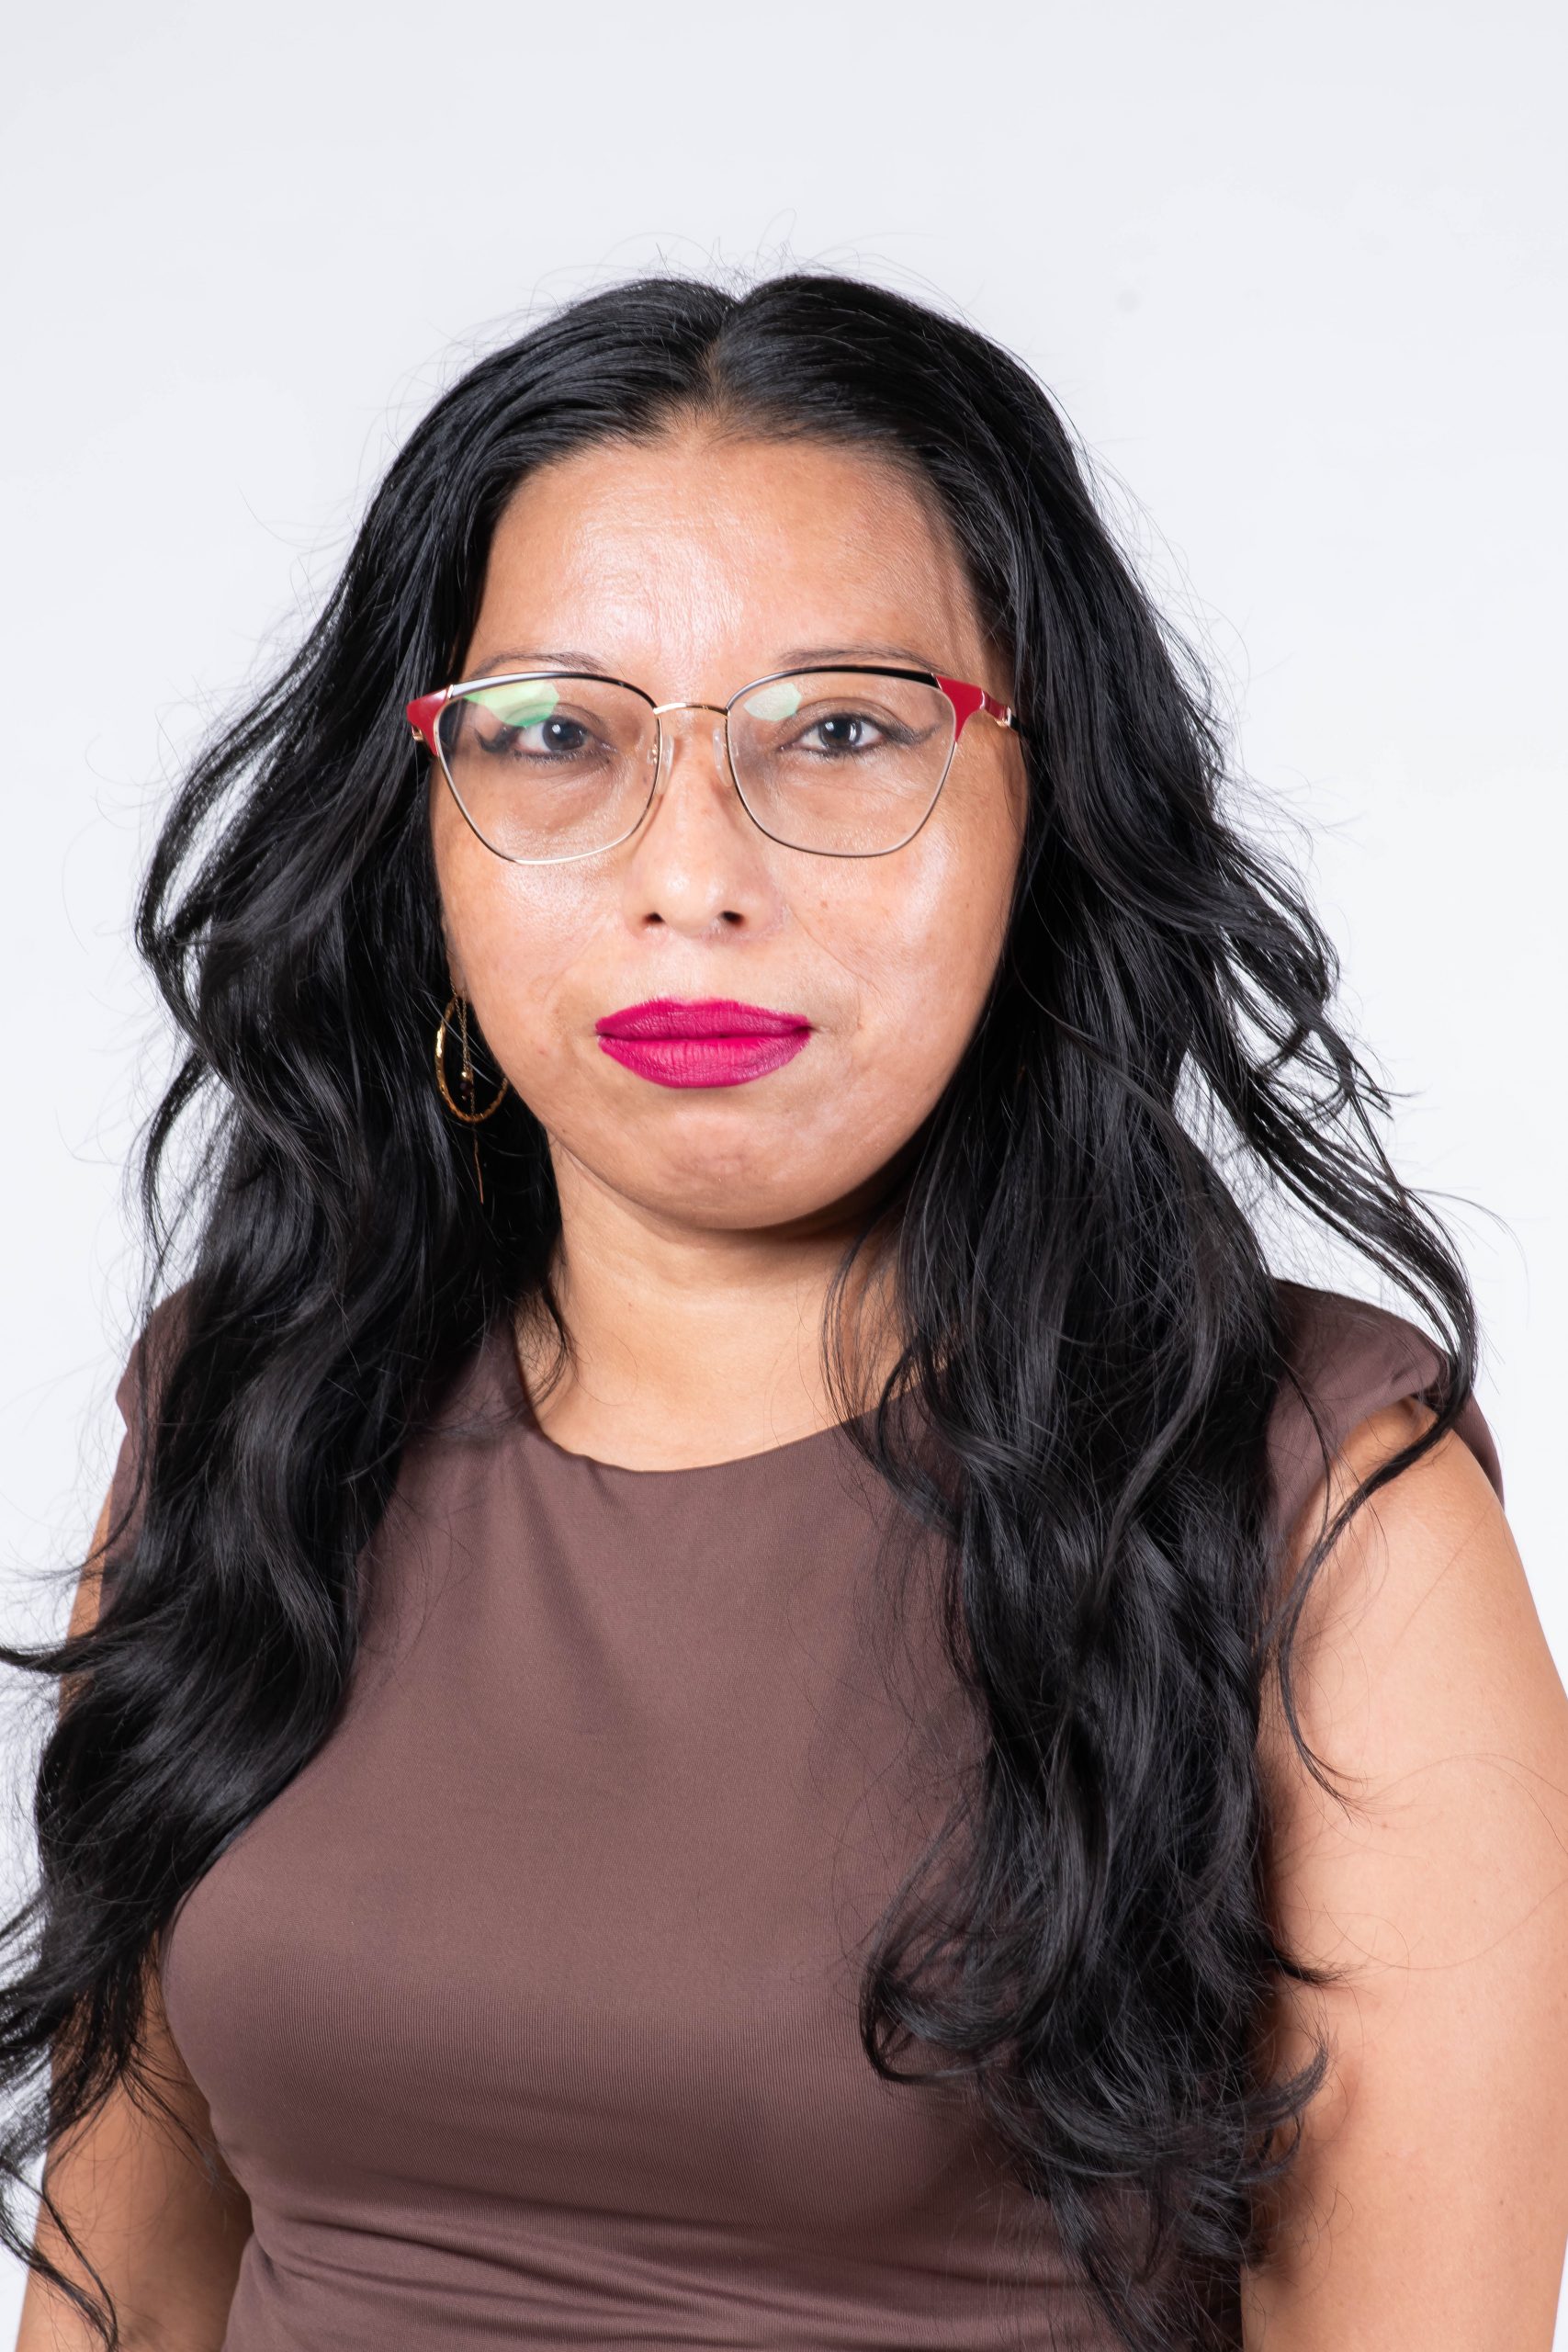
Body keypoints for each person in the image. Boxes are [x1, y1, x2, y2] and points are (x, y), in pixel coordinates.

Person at [5, 270, 1563, 2352]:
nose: (691, 874)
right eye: (555, 733)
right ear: (423, 820)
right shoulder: (253, 1406)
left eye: (839, 730)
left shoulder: (1321, 1501)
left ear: (1040, 800)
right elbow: (120, 2286)